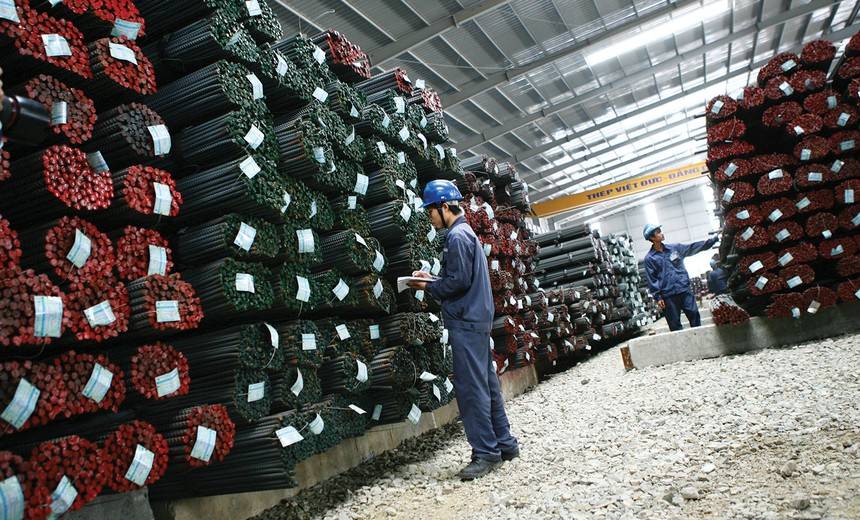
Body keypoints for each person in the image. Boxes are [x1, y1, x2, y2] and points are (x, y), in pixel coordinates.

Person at [408, 180, 519, 481]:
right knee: (487, 385)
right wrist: (432, 278)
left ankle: (485, 453)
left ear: (444, 207)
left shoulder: (456, 237)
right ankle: (505, 444)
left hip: (466, 321)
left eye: (431, 211)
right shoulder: (467, 232)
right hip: (477, 319)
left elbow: (456, 283)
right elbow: (461, 278)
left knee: (471, 390)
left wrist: (426, 286)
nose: (430, 217)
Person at [643, 224, 719, 331]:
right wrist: (658, 297)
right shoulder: (650, 259)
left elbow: (693, 247)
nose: (661, 233)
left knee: (694, 315)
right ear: (652, 237)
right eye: (658, 232)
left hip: (684, 290)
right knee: (674, 324)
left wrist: (712, 240)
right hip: (668, 296)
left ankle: (698, 337)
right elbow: (652, 279)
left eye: (660, 231)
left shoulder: (675, 249)